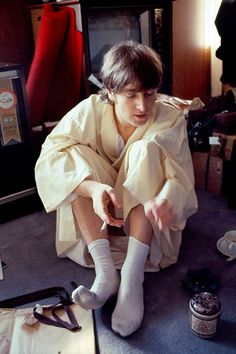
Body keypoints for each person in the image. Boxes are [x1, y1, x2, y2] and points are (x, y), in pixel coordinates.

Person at [35, 40, 198, 337]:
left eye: (149, 94)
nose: (142, 106)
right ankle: (106, 273)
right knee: (72, 155)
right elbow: (50, 158)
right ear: (110, 92)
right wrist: (92, 188)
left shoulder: (169, 116)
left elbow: (180, 176)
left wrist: (165, 197)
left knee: (146, 150)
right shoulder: (90, 110)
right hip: (103, 210)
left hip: (147, 218)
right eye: (131, 95)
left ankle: (132, 277)